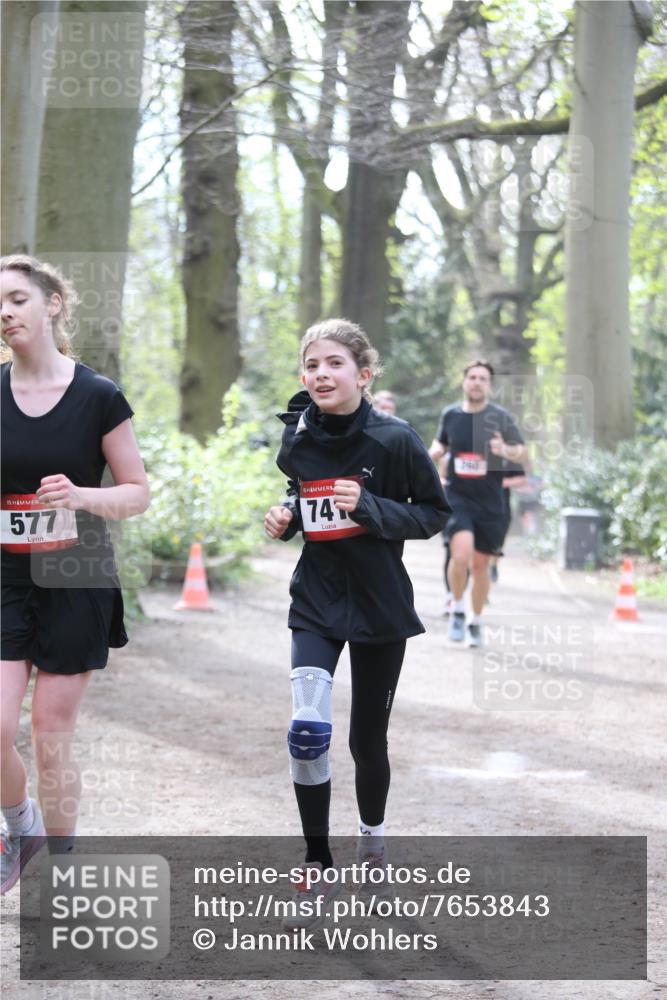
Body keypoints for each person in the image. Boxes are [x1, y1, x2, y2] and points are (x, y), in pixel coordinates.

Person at [263, 318, 448, 927]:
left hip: (378, 603)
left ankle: (372, 844)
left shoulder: (395, 439)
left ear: (363, 375)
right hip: (316, 601)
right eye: (312, 365)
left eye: (334, 364)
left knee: (366, 744)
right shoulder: (297, 435)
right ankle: (317, 861)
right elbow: (301, 494)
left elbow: (433, 514)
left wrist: (368, 507)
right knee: (307, 732)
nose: (321, 374)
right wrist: (287, 515)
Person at [0, 255, 150, 893]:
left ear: (53, 303)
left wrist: (83, 496)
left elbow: (137, 493)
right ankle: (22, 827)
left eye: (17, 299)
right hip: (5, 573)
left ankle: (60, 871)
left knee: (49, 731)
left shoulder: (97, 395)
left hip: (75, 571)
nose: (5, 313)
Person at [429, 360, 526, 647]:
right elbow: (440, 444)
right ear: (464, 382)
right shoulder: (451, 415)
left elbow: (522, 452)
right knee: (460, 555)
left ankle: (475, 620)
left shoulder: (500, 417)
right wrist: (429, 454)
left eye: (483, 379)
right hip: (458, 497)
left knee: (481, 566)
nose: (476, 382)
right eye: (472, 377)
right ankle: (457, 609)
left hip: (490, 502)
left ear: (489, 385)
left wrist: (504, 449)